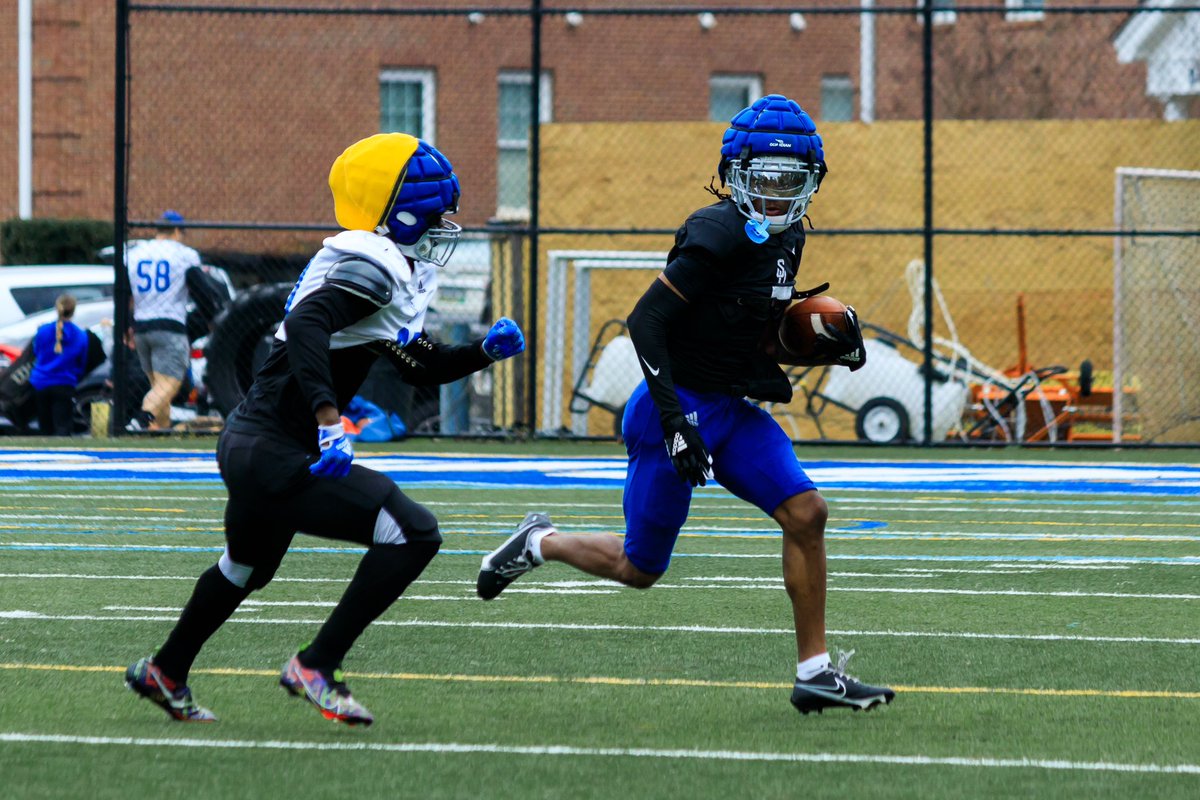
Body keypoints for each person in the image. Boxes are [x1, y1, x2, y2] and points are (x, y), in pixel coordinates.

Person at [477, 94, 895, 715]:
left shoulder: (790, 236)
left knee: (807, 514)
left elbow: (751, 326)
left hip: (732, 409)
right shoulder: (718, 232)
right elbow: (645, 320)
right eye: (765, 180)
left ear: (812, 183)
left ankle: (815, 673)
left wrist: (812, 339)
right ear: (734, 176)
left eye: (792, 182)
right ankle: (541, 541)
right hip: (676, 408)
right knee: (639, 567)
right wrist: (674, 423)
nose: (778, 195)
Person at [125, 133, 526, 725]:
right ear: (402, 209)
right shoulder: (375, 261)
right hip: (276, 446)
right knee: (414, 534)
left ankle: (166, 669)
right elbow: (310, 321)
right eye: (439, 213)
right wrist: (328, 418)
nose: (446, 225)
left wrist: (481, 353)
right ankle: (317, 665)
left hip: (251, 439)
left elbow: (415, 361)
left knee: (246, 568)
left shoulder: (373, 261)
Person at [124, 210, 204, 430]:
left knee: (157, 385)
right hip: (170, 325)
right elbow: (201, 290)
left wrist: (126, 326)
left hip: (141, 326)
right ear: (178, 231)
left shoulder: (135, 253)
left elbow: (123, 293)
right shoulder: (184, 254)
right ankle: (142, 420)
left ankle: (159, 429)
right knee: (170, 383)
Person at [29, 294, 89, 436]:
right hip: (64, 382)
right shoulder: (80, 335)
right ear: (73, 310)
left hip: (41, 382)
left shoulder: (43, 331)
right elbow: (82, 362)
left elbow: (36, 352)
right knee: (62, 426)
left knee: (45, 426)